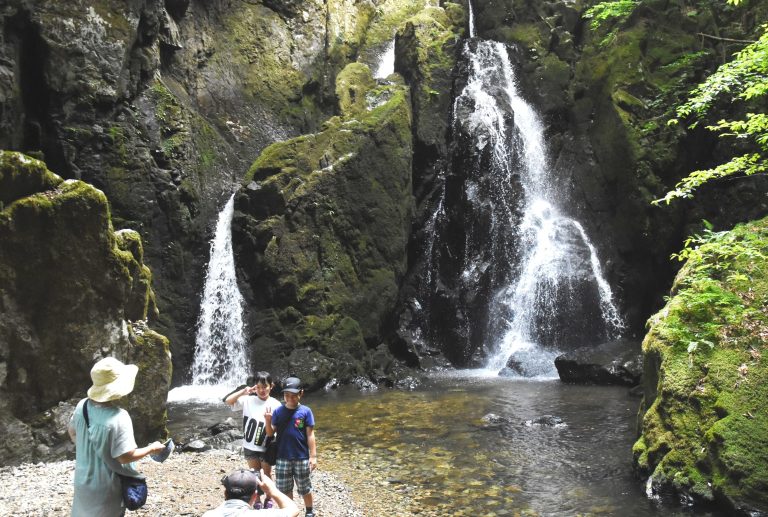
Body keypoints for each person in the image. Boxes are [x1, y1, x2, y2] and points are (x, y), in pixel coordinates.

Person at [68, 357, 166, 517]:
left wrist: (90, 452)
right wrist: (152, 449)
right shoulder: (119, 417)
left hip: (82, 480)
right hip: (106, 486)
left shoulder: (82, 406)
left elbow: (72, 433)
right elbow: (125, 457)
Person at [225, 371, 282, 508]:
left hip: (266, 446)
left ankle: (269, 498)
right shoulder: (248, 400)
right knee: (254, 474)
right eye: (258, 387)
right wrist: (243, 392)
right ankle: (256, 500)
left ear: (271, 386)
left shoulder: (276, 405)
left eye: (265, 387)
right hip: (249, 446)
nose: (262, 390)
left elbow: (271, 432)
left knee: (266, 474)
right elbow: (228, 401)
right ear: (254, 387)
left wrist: (268, 420)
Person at [265, 377, 317, 517]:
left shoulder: (306, 411)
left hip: (301, 457)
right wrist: (267, 420)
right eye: (287, 395)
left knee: (305, 487)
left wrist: (313, 456)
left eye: (293, 395)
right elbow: (270, 433)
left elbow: (310, 435)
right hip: (282, 457)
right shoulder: (278, 412)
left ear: (301, 393)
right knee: (285, 488)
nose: (290, 398)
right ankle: (290, 511)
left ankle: (309, 511)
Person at [202, 468, 300, 517]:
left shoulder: (208, 515)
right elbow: (293, 510)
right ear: (254, 496)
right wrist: (273, 490)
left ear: (225, 493)